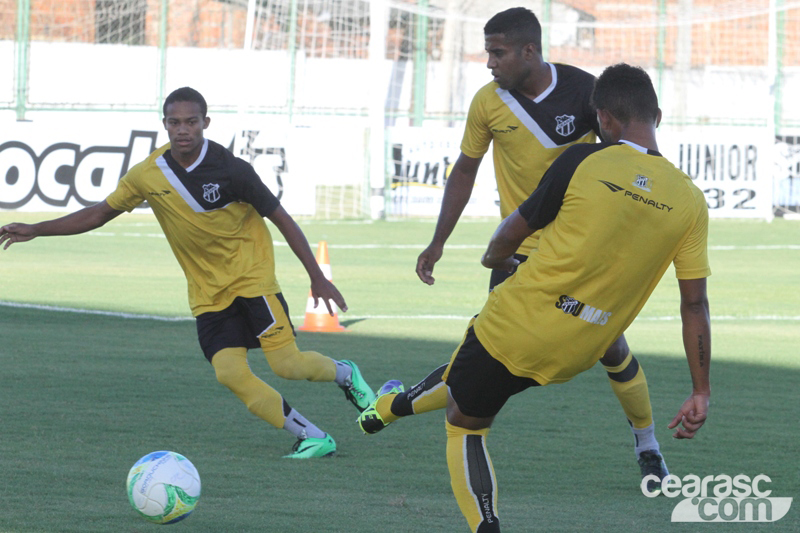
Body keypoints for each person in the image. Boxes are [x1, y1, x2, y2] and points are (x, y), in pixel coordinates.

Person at [358, 7, 668, 487]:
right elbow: (465, 170)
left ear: (530, 50)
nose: (489, 63)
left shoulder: (586, 91)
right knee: (482, 359)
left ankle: (647, 446)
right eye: (487, 52)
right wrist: (438, 241)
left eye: (497, 52)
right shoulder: (487, 103)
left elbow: (632, 151)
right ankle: (392, 408)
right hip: (515, 250)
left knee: (609, 345)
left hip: (576, 251)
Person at [0, 87, 376, 459]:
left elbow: (282, 219)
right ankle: (312, 436)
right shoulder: (148, 174)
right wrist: (37, 228)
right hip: (206, 293)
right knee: (229, 372)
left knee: (288, 365)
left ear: (205, 123)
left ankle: (346, 375)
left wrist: (316, 276)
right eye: (174, 122)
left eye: (191, 122)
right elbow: (98, 213)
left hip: (251, 279)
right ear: (164, 125)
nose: (183, 130)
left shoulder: (232, 170)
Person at [450, 63, 711, 531]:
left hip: (528, 291)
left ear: (604, 120)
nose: (492, 61)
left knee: (466, 408)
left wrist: (495, 261)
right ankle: (648, 445)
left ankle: (484, 520)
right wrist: (700, 391)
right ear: (658, 115)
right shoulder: (691, 201)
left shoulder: (581, 158)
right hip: (582, 325)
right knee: (611, 346)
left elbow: (505, 236)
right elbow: (695, 304)